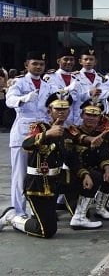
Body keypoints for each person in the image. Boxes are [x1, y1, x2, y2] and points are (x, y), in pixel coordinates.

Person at [0, 91, 101, 237]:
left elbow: (71, 158)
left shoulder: (67, 131)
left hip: (57, 180)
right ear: (49, 110)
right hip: (39, 184)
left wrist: (84, 174)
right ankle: (12, 218)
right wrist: (47, 135)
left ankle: (79, 217)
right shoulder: (39, 127)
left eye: (65, 109)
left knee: (95, 176)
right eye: (57, 109)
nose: (61, 112)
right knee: (47, 231)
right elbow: (26, 144)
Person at [5, 51, 52, 219]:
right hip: (23, 134)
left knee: (37, 173)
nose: (38, 67)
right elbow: (9, 100)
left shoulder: (48, 85)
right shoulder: (19, 82)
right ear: (27, 65)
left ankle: (35, 209)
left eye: (41, 64)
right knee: (19, 176)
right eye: (35, 64)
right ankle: (18, 211)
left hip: (42, 134)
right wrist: (24, 98)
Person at [44, 47, 81, 126]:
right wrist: (69, 88)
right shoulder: (50, 77)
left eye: (71, 59)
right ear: (58, 61)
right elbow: (54, 95)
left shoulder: (76, 78)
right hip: (55, 119)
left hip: (72, 121)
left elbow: (77, 103)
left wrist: (77, 122)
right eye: (66, 59)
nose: (69, 62)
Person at [72, 48, 105, 126]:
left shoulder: (101, 78)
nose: (88, 62)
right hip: (80, 115)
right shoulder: (74, 77)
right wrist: (89, 93)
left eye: (91, 59)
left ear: (95, 62)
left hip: (97, 115)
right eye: (86, 59)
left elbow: (104, 100)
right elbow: (74, 97)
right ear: (80, 61)